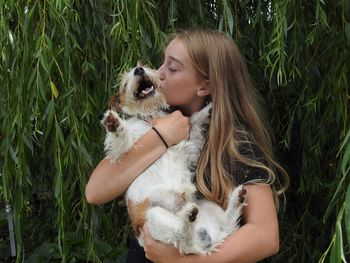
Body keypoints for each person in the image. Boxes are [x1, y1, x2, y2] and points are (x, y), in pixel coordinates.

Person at [85, 28, 289, 263]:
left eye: (172, 68)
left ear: (204, 86)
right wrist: (161, 136)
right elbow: (95, 191)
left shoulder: (235, 145)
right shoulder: (151, 124)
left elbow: (265, 236)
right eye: (162, 64)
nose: (159, 74)